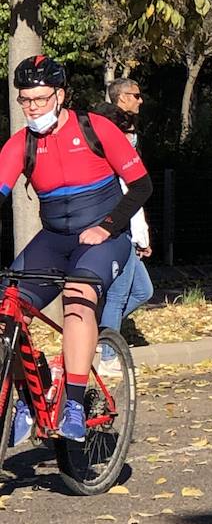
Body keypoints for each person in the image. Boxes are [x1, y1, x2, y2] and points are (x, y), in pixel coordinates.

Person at [0, 55, 152, 441]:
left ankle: (72, 402)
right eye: (25, 100)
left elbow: (141, 186)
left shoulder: (95, 129)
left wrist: (106, 226)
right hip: (54, 239)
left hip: (104, 236)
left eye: (40, 99)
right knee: (7, 307)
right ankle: (27, 397)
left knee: (79, 294)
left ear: (61, 95)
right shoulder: (21, 145)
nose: (32, 108)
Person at [95, 79, 154, 359]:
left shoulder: (126, 130)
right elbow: (127, 186)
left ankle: (97, 332)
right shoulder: (114, 132)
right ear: (122, 98)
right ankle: (107, 355)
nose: (140, 100)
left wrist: (142, 235)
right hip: (119, 223)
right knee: (118, 295)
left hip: (129, 222)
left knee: (143, 290)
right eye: (136, 96)